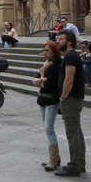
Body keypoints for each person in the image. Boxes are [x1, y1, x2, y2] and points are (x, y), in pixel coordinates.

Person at [54, 30, 86, 177]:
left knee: (72, 133)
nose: (57, 41)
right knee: (77, 132)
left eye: (61, 39)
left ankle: (74, 166)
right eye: (57, 38)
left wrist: (63, 97)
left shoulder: (70, 56)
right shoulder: (71, 56)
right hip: (74, 97)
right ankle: (80, 164)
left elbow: (69, 79)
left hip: (71, 98)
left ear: (69, 42)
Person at [32, 41, 62, 172]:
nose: (44, 53)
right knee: (46, 128)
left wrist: (42, 78)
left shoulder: (56, 65)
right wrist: (41, 80)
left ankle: (53, 159)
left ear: (54, 52)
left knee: (49, 128)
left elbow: (50, 84)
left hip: (52, 99)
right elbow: (35, 80)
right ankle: (55, 157)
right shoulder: (45, 65)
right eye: (43, 50)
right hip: (43, 99)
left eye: (47, 51)